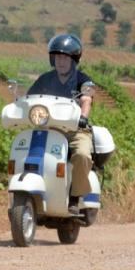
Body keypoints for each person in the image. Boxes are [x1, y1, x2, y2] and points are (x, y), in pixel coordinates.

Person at [28, 33, 95, 211]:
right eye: (57, 57)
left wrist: (83, 117)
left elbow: (86, 99)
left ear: (74, 60)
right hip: (49, 129)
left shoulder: (83, 80)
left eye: (65, 57)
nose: (61, 61)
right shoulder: (45, 79)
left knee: (82, 154)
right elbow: (29, 99)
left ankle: (75, 196)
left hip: (75, 130)